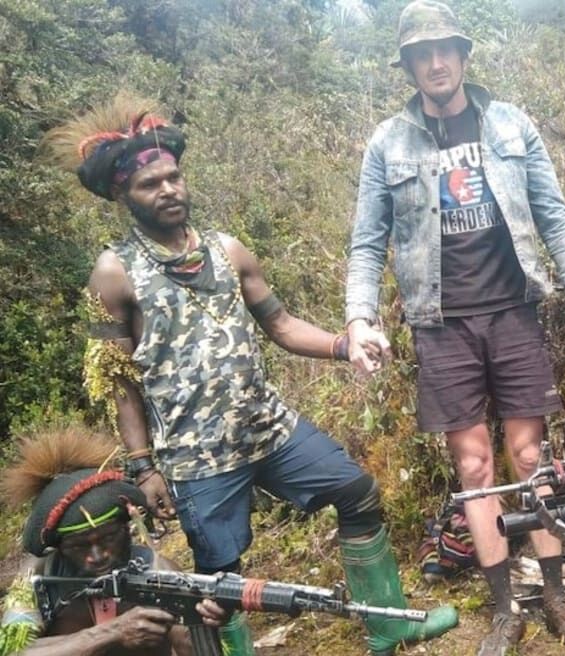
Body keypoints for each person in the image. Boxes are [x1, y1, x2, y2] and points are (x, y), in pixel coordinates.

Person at [41, 94, 457, 655]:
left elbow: (281, 324)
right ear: (122, 194)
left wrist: (344, 343)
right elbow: (119, 383)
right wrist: (143, 468)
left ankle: (389, 626)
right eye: (150, 184)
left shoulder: (227, 249)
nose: (168, 190)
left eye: (174, 177)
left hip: (268, 428)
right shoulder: (113, 274)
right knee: (219, 579)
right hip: (196, 455)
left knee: (356, 490)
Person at [344, 2, 565, 654]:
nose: (435, 63)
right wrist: (359, 318)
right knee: (474, 465)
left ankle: (552, 590)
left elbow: (553, 214)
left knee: (530, 456)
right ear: (408, 65)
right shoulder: (389, 143)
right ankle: (504, 608)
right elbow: (365, 243)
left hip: (512, 311)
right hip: (440, 325)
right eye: (421, 54)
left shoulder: (510, 125)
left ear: (463, 56)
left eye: (445, 50)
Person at [0, 426, 230, 655]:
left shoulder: (160, 572)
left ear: (126, 527)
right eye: (79, 546)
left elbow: (191, 644)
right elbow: (13, 652)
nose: (98, 555)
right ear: (59, 547)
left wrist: (204, 623)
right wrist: (112, 631)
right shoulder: (36, 576)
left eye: (108, 538)